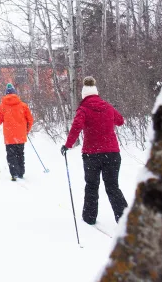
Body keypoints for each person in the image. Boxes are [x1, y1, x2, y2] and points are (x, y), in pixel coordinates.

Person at [61, 76, 128, 224]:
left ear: (84, 95)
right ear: (96, 93)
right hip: (112, 154)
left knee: (92, 186)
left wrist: (68, 145)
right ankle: (124, 219)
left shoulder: (83, 109)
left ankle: (89, 217)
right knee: (112, 186)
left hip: (92, 155)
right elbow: (121, 121)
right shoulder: (108, 107)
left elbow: (76, 127)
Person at [0, 83, 34, 181]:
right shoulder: (23, 105)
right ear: (15, 93)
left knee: (11, 155)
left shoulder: (2, 106)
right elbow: (30, 120)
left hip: (9, 136)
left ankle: (14, 174)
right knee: (20, 154)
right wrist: (26, 131)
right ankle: (21, 173)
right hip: (20, 136)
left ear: (6, 93)